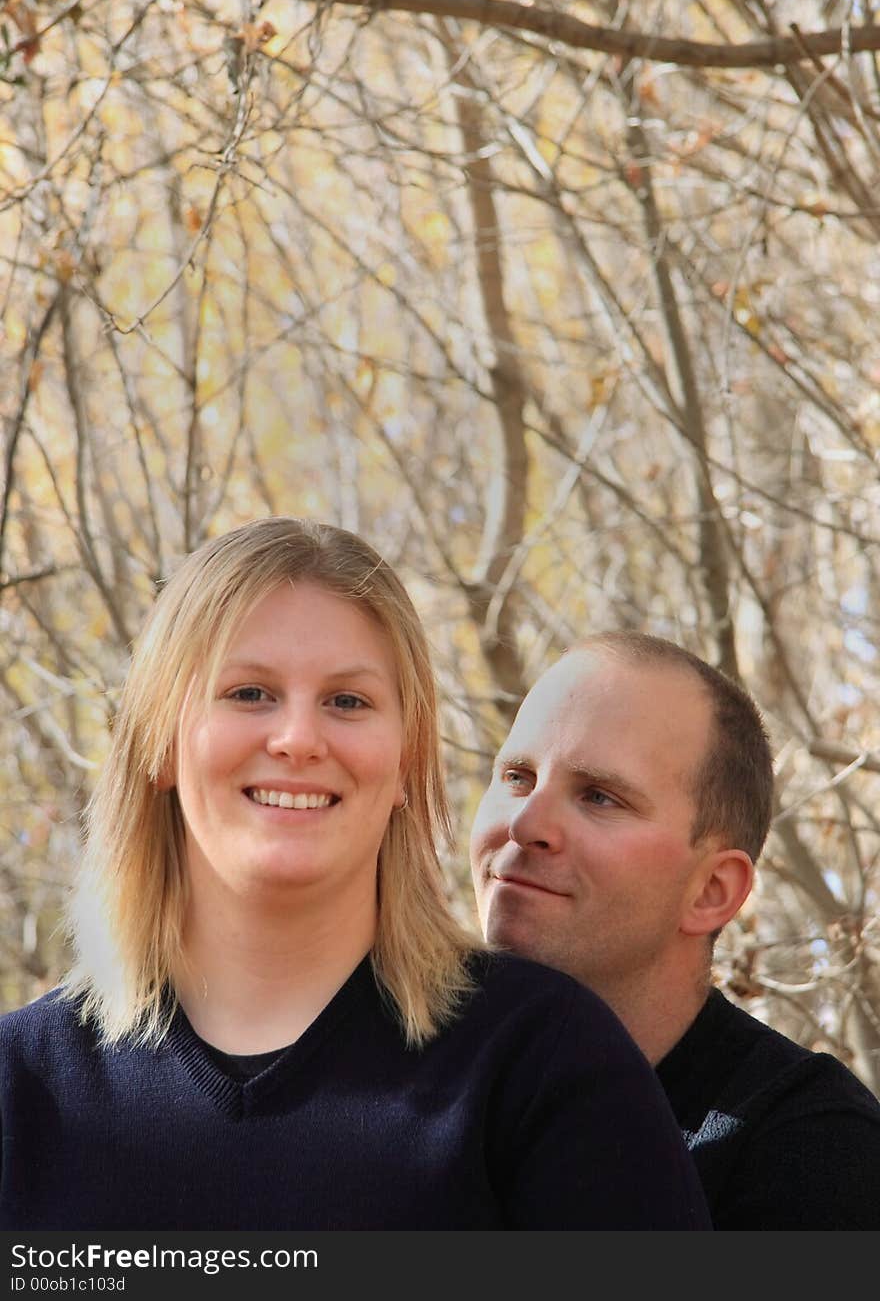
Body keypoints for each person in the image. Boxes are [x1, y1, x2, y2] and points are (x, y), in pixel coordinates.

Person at [0, 521, 710, 1231]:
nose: (300, 740)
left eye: (347, 701)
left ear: (405, 761)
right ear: (159, 744)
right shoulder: (21, 1086)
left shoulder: (544, 1062)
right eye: (249, 693)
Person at [470, 630, 880, 1230]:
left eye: (599, 797)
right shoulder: (385, 1069)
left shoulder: (814, 1153)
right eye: (517, 776)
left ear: (712, 892)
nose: (526, 822)